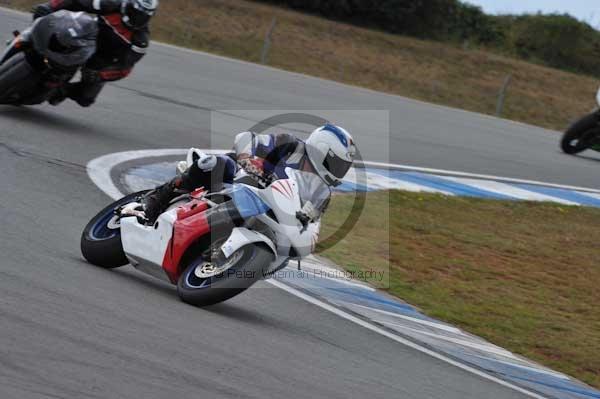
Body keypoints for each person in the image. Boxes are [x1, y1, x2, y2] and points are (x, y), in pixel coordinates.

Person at [141, 124, 357, 225]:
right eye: (337, 164)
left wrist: (307, 218)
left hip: (262, 209)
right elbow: (246, 137)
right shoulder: (289, 145)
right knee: (217, 163)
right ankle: (159, 196)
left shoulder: (321, 191)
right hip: (235, 178)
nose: (339, 171)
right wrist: (247, 157)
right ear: (322, 150)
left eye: (343, 167)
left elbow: (313, 218)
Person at [31, 0, 158, 107]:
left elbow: (125, 68)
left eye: (143, 16)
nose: (138, 19)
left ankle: (61, 90)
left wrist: (102, 75)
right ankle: (27, 40)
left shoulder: (140, 42)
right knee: (51, 25)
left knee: (86, 98)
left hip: (101, 57)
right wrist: (50, 6)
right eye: (135, 12)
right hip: (83, 36)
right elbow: (77, 1)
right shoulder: (110, 4)